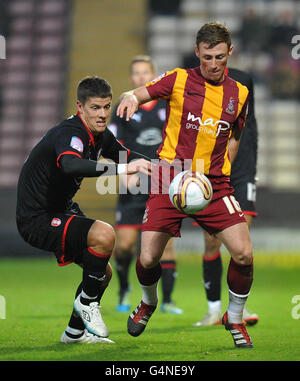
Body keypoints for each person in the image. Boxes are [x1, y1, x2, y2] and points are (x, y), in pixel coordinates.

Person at [117, 22, 255, 349]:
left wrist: (225, 167)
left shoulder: (240, 93)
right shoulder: (179, 79)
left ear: (230, 53)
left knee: (244, 254)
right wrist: (129, 97)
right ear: (197, 53)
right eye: (207, 56)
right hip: (169, 176)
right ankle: (149, 301)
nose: (214, 63)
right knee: (148, 258)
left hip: (214, 185)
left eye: (220, 56)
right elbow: (140, 92)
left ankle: (234, 317)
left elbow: (235, 133)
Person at [16, 76, 152, 344]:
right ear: (80, 107)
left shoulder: (100, 135)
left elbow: (126, 155)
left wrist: (169, 169)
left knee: (102, 273)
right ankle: (88, 304)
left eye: (106, 107)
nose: (102, 115)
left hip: (59, 210)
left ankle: (74, 333)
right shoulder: (71, 133)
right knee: (104, 235)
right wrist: (123, 169)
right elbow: (71, 165)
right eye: (95, 108)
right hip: (36, 218)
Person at [108, 55, 183, 315]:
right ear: (131, 79)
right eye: (136, 73)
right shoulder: (124, 107)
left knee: (166, 244)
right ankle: (124, 289)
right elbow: (111, 145)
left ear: (153, 77)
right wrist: (122, 173)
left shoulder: (167, 107)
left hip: (162, 182)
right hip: (133, 182)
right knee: (125, 244)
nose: (141, 77)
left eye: (145, 73)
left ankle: (169, 300)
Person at [192, 66, 259, 327]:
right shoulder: (195, 85)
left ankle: (237, 309)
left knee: (240, 244)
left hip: (241, 171)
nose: (214, 62)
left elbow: (250, 129)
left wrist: (252, 169)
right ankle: (213, 309)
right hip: (212, 173)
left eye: (220, 55)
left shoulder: (244, 81)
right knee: (211, 242)